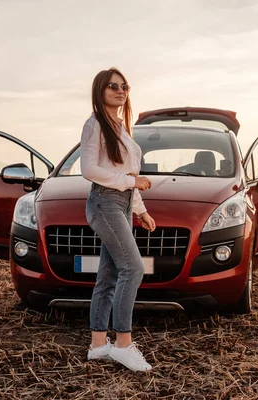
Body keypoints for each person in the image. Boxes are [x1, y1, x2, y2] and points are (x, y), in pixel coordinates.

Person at [80, 68, 156, 371]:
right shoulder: (95, 123)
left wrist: (141, 210)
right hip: (104, 202)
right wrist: (129, 181)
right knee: (133, 267)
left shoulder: (122, 128)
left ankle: (98, 345)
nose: (120, 90)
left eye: (124, 86)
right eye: (113, 86)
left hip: (121, 204)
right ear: (100, 91)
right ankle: (124, 344)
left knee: (109, 275)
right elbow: (89, 169)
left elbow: (131, 178)